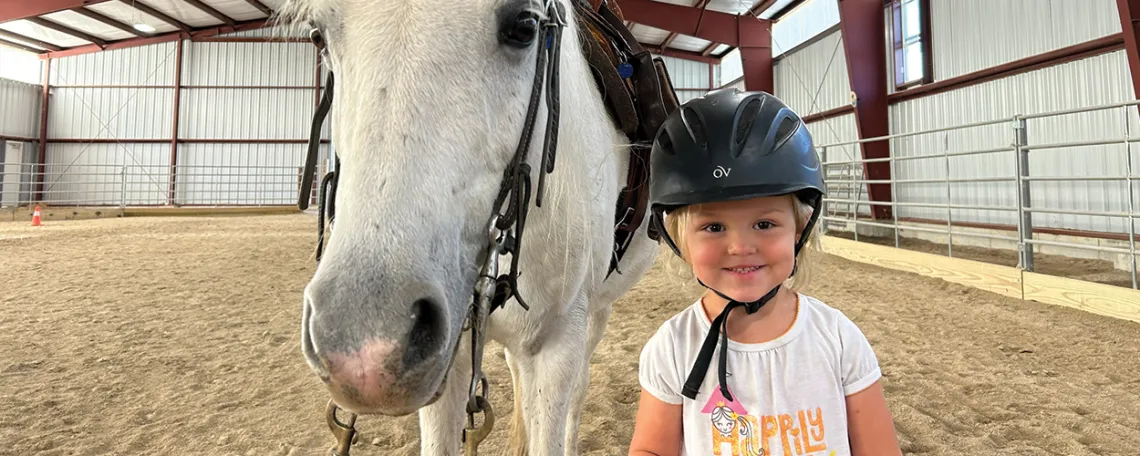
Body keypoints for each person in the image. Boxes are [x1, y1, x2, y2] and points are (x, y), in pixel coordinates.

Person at [628, 89, 902, 456]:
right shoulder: (673, 347)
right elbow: (652, 449)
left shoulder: (838, 339)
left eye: (764, 224)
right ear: (680, 238)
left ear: (800, 228)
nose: (741, 247)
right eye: (713, 228)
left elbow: (879, 449)